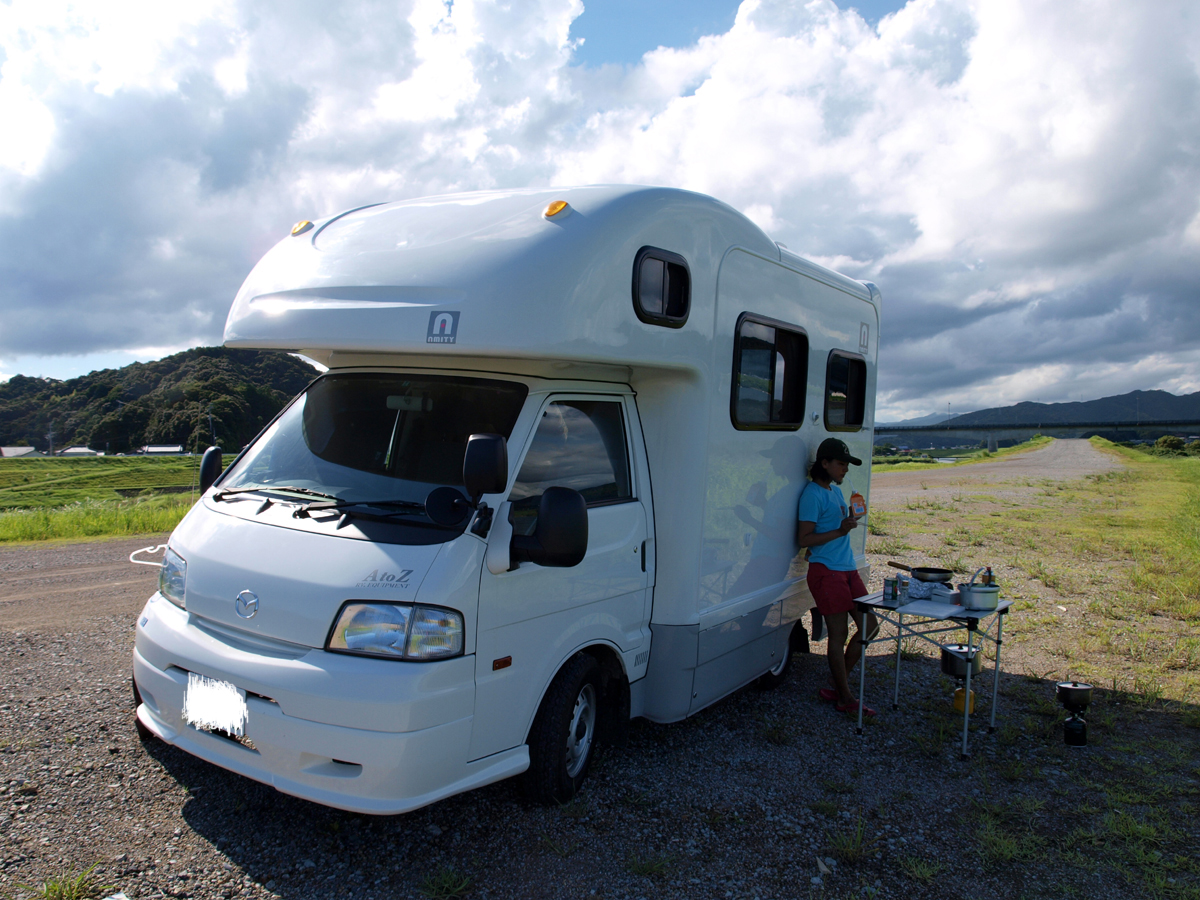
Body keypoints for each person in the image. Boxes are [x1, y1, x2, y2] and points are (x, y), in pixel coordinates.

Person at [797, 438, 877, 716]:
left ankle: (836, 681)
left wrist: (849, 522)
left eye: (846, 464)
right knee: (839, 634)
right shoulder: (812, 494)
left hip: (846, 568)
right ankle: (844, 697)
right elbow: (804, 538)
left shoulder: (833, 491)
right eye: (841, 464)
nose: (845, 469)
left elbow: (830, 531)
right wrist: (841, 531)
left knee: (870, 627)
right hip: (828, 572)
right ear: (825, 464)